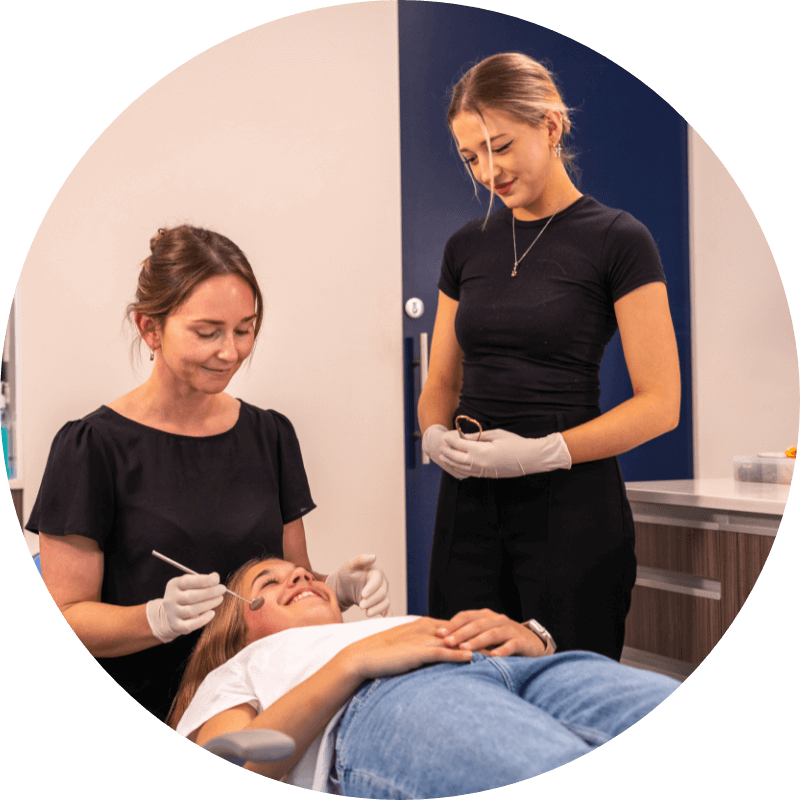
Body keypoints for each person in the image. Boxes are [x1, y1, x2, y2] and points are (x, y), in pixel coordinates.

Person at [26, 225, 390, 722]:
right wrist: (154, 619)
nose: (231, 351)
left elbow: (290, 574)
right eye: (207, 332)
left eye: (244, 329)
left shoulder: (270, 435)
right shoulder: (91, 449)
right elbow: (69, 615)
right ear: (150, 329)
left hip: (264, 707)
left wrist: (336, 588)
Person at [419, 53, 681, 661]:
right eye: (471, 158)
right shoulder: (465, 247)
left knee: (568, 695)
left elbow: (660, 404)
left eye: (500, 146)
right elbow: (441, 379)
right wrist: (432, 433)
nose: (488, 171)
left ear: (552, 126)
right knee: (461, 690)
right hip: (469, 507)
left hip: (571, 512)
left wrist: (543, 453)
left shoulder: (619, 239)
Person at [169, 557, 680, 794]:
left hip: (524, 669)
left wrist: (532, 639)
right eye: (270, 581)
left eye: (302, 572)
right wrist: (352, 663)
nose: (300, 575)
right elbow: (239, 761)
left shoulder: (386, 627)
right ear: (236, 627)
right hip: (389, 700)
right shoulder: (238, 668)